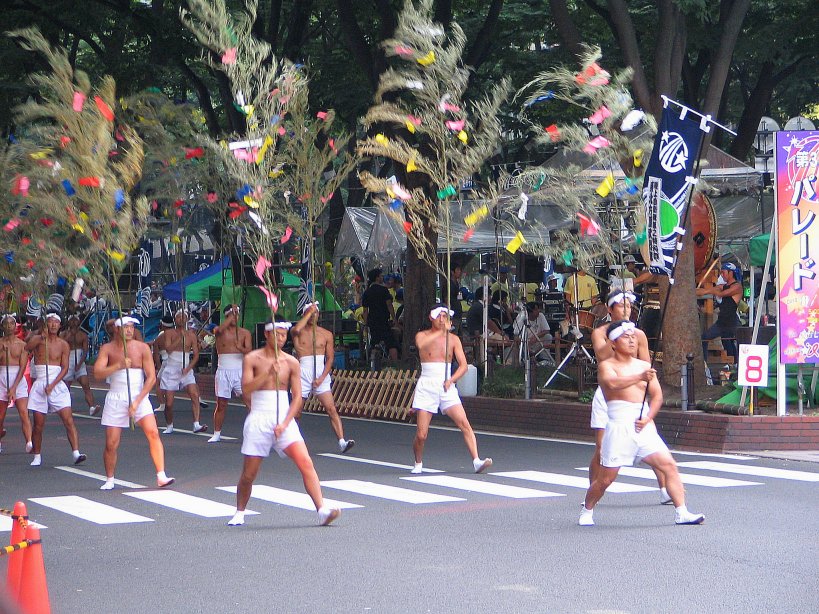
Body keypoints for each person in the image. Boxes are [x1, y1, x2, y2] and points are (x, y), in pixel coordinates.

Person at [579, 320, 705, 526]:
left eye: (633, 337)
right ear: (612, 343)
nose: (631, 341)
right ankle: (587, 509)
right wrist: (640, 376)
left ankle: (682, 512)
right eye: (625, 337)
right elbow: (612, 383)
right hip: (619, 425)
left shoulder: (644, 366)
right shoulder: (607, 366)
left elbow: (657, 397)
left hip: (642, 425)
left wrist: (648, 417)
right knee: (605, 480)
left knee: (669, 466)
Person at [227, 320, 341, 527]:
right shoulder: (252, 358)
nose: (280, 338)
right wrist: (268, 373)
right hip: (259, 415)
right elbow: (246, 389)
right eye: (276, 334)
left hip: (283, 417)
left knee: (306, 462)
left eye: (283, 335)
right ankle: (240, 511)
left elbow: (297, 397)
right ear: (266, 334)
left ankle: (322, 509)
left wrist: (285, 422)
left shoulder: (291, 362)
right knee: (249, 474)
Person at [588, 290, 668, 503]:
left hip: (633, 390)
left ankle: (664, 489)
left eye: (629, 307)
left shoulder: (638, 335)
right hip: (609, 391)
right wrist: (616, 335)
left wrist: (646, 384)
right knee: (601, 446)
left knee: (650, 441)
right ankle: (593, 490)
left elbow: (645, 362)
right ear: (610, 309)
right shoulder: (600, 332)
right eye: (621, 306)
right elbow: (602, 356)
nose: (626, 310)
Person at [410, 305, 493, 475]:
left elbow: (463, 366)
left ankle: (476, 460)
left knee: (465, 424)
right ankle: (418, 462)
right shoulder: (422, 335)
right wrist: (441, 333)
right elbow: (421, 345)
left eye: (445, 316)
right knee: (422, 434)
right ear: (431, 318)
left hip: (447, 384)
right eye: (439, 316)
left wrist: (452, 380)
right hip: (427, 384)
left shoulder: (453, 339)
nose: (442, 319)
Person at [93, 317, 175, 489]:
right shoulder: (107, 349)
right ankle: (110, 478)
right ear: (116, 330)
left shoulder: (142, 348)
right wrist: (118, 366)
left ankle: (161, 475)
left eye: (131, 327)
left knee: (153, 433)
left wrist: (137, 401)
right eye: (125, 327)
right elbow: (98, 373)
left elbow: (151, 377)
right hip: (116, 396)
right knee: (111, 443)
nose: (129, 330)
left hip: (139, 395)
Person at [291, 302, 355, 452]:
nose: (313, 316)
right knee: (297, 411)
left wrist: (321, 378)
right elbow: (295, 331)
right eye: (309, 314)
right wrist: (308, 313)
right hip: (303, 371)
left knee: (331, 408)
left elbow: (330, 358)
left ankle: (341, 441)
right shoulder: (298, 331)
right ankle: (293, 441)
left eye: (315, 313)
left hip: (320, 372)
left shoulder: (326, 334)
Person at [25, 313, 87, 467]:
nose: (53, 325)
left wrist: (52, 385)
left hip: (56, 383)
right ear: (46, 324)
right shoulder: (39, 340)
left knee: (68, 420)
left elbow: (65, 368)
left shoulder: (63, 344)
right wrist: (40, 337)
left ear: (60, 325)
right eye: (50, 322)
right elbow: (27, 347)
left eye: (56, 323)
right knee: (38, 424)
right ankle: (37, 455)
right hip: (40, 382)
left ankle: (76, 453)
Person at [156, 309, 207, 434]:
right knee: (169, 403)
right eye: (179, 317)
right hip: (171, 368)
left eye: (184, 317)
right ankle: (169, 425)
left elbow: (195, 355)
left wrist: (189, 368)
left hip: (186, 369)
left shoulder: (191, 335)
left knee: (194, 395)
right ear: (175, 318)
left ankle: (196, 424)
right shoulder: (169, 333)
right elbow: (168, 349)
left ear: (187, 319)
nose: (181, 319)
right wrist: (180, 338)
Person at [208, 305, 252, 443]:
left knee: (250, 402)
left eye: (237, 314)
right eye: (232, 314)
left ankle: (253, 432)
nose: (235, 317)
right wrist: (230, 316)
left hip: (239, 371)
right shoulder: (219, 330)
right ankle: (216, 433)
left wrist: (241, 349)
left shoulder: (245, 333)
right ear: (227, 316)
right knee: (221, 403)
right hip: (223, 371)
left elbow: (249, 350)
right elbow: (218, 330)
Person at [697, 262, 742, 364]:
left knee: (729, 343)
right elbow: (706, 291)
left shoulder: (737, 286)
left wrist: (713, 291)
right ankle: (704, 364)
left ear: (731, 273)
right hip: (721, 322)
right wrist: (695, 291)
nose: (722, 275)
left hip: (731, 323)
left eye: (723, 272)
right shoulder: (723, 286)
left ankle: (735, 366)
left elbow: (722, 294)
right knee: (704, 338)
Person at [0, 314, 33, 454]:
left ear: (15, 326)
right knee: (1, 416)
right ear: (2, 326)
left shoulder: (22, 345)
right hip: (2, 378)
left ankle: (30, 442)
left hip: (18, 380)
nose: (9, 326)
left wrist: (13, 388)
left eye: (11, 324)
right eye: (6, 324)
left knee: (24, 413)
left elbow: (22, 367)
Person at [60, 314, 101, 416]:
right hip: (68, 360)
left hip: (79, 361)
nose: (74, 323)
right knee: (65, 387)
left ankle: (91, 407)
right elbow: (61, 345)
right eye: (72, 321)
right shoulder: (64, 334)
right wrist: (70, 335)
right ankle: (65, 407)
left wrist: (80, 363)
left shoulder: (83, 335)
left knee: (86, 385)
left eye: (75, 321)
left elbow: (85, 351)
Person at [362, 268, 398, 361]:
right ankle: (395, 363)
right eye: (381, 276)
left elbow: (365, 310)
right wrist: (394, 319)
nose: (382, 277)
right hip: (383, 320)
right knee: (391, 343)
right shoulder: (384, 290)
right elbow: (389, 305)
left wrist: (366, 324)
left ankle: (374, 363)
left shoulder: (367, 292)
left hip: (372, 322)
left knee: (374, 343)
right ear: (377, 278)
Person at [151, 315, 175, 415]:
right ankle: (197, 398)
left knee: (158, 383)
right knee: (188, 383)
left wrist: (158, 366)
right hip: (180, 362)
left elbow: (156, 355)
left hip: (167, 361)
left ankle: (162, 404)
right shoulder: (178, 334)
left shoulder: (161, 335)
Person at [443, 265, 464, 334]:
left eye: (460, 270)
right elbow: (446, 298)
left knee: (460, 334)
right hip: (453, 314)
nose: (459, 272)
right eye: (457, 270)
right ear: (452, 272)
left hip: (458, 313)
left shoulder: (456, 283)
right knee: (453, 334)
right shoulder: (449, 284)